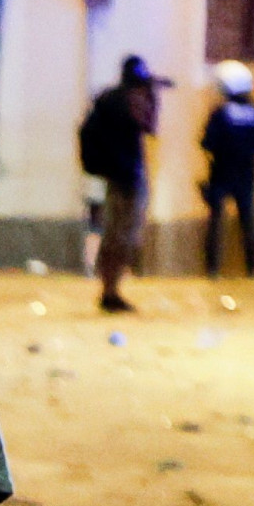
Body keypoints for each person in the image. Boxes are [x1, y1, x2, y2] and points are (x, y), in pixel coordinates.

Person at [78, 54, 159, 312]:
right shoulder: (128, 101)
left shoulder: (107, 99)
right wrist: (152, 100)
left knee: (115, 232)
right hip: (127, 177)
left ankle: (109, 288)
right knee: (123, 234)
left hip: (114, 175)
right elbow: (148, 125)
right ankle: (111, 290)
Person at [199, 59, 254, 277]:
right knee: (248, 222)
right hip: (247, 174)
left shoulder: (221, 114)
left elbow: (207, 142)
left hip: (221, 173)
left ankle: (213, 269)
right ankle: (252, 268)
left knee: (216, 223)